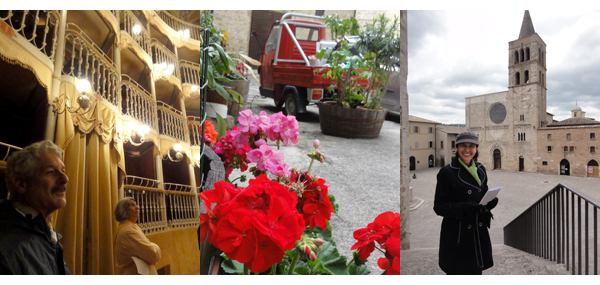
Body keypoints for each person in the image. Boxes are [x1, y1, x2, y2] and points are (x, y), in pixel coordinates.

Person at [0, 140, 71, 274]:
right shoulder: (7, 247)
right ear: (21, 184)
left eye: (63, 170)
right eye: (50, 172)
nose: (65, 178)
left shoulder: (46, 232)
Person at [433, 131, 499, 275]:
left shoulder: (481, 169)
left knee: (476, 271)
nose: (467, 149)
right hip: (458, 236)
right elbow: (439, 207)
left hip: (478, 231)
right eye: (463, 145)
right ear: (457, 147)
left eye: (471, 146)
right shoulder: (447, 172)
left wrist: (489, 203)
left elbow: (482, 193)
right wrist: (464, 208)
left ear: (476, 148)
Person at [113, 197, 161, 275]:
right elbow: (154, 254)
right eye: (132, 205)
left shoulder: (131, 227)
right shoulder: (128, 231)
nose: (137, 207)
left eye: (136, 205)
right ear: (124, 211)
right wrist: (155, 246)